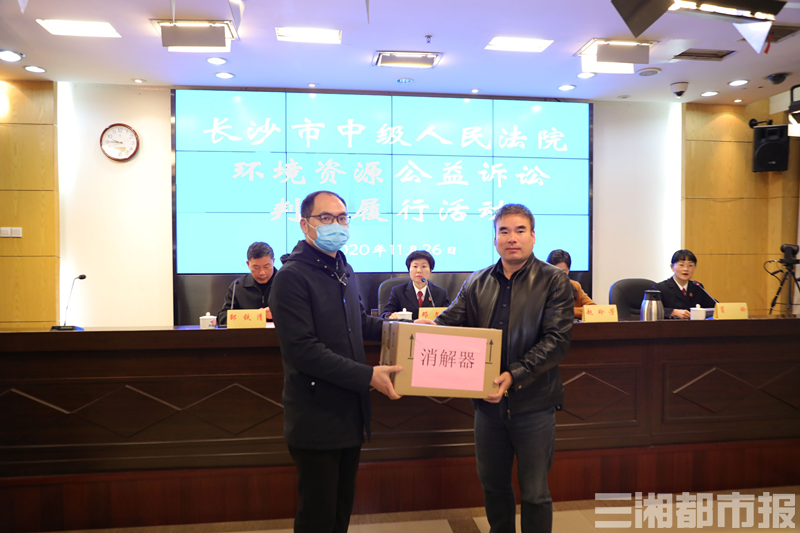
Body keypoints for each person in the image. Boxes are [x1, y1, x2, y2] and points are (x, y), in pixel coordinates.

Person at [429, 204, 573, 533]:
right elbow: (448, 324)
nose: (512, 238)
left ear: (533, 236)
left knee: (535, 493)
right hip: (487, 406)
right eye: (504, 231)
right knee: (493, 486)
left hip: (533, 404)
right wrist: (418, 337)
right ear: (494, 238)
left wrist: (514, 375)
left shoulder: (554, 280)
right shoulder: (477, 281)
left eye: (520, 230)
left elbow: (557, 341)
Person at [268, 191, 402, 533]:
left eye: (342, 218)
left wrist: (406, 329)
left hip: (349, 413)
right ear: (305, 225)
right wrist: (368, 376)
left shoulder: (342, 268)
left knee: (341, 510)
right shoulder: (292, 277)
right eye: (326, 218)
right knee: (318, 517)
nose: (337, 225)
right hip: (316, 416)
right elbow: (303, 350)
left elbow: (358, 322)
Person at [216, 241, 277, 326]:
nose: (262, 272)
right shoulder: (237, 286)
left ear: (273, 261)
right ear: (248, 264)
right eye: (256, 267)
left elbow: (296, 314)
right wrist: (256, 316)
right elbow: (223, 317)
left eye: (267, 266)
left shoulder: (286, 284)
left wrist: (278, 313)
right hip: (246, 334)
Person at [381, 250, 451, 320]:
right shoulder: (398, 291)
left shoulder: (441, 294)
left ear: (430, 270)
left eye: (423, 266)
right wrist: (390, 316)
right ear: (409, 270)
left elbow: (448, 318)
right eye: (415, 266)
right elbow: (385, 313)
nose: (419, 270)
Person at [653, 249, 717, 319]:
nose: (686, 269)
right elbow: (653, 310)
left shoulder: (697, 287)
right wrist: (673, 312)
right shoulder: (660, 288)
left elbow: (713, 306)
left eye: (690, 265)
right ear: (672, 267)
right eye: (681, 265)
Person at [546, 249, 596, 320]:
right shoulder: (540, 286)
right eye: (555, 271)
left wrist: (565, 311)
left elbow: (593, 309)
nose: (559, 275)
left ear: (568, 270)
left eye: (563, 271)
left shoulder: (575, 286)